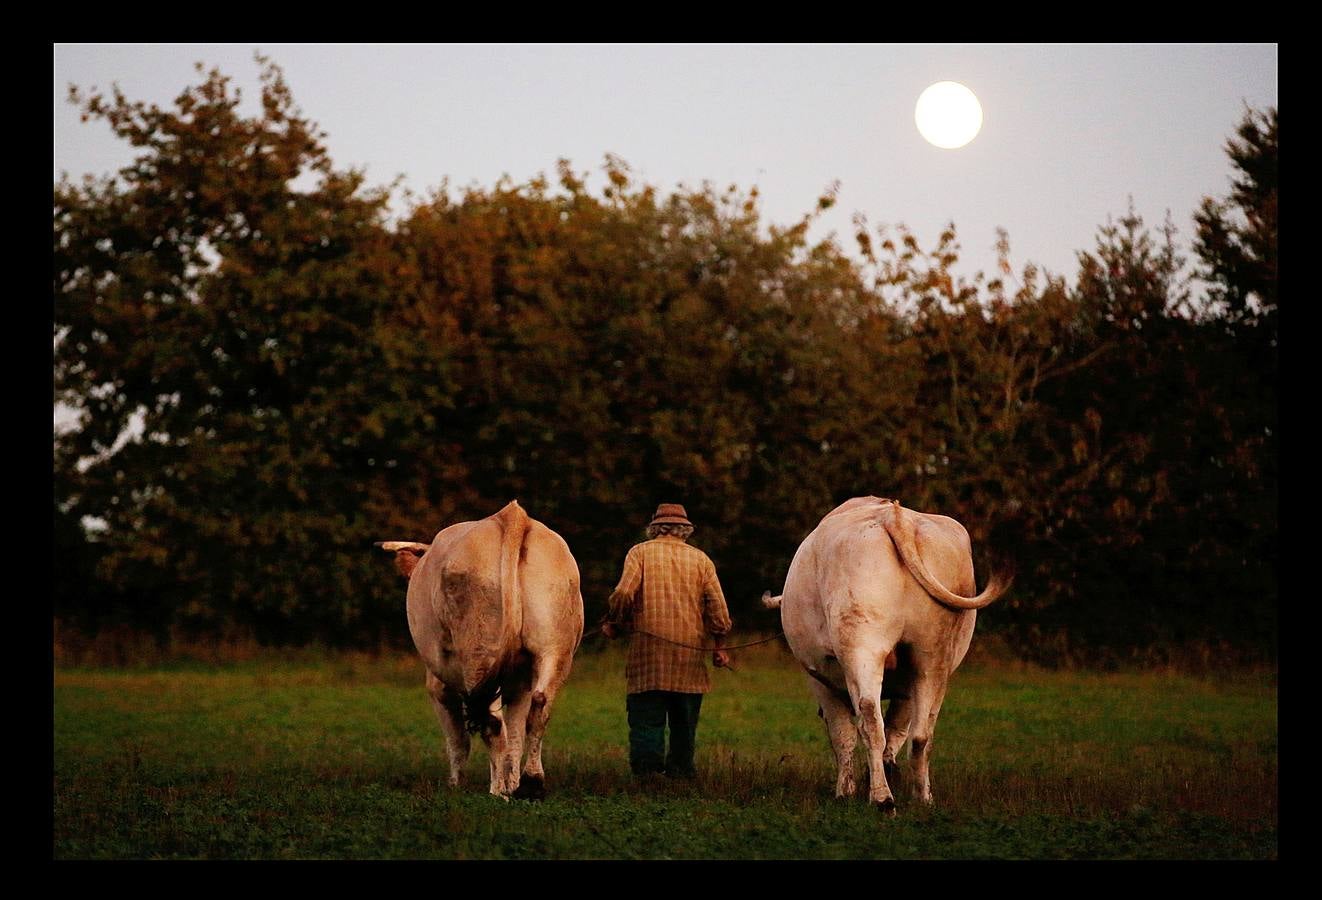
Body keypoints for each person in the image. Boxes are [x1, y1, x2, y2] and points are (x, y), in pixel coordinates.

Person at [601, 503, 732, 779]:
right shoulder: (701, 560)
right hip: (689, 658)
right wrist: (719, 647)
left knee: (647, 720)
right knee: (684, 723)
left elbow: (624, 593)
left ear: (655, 528)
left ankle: (648, 774)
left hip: (648, 656)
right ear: (685, 530)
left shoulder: (640, 553)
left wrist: (614, 622)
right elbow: (718, 609)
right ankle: (681, 772)